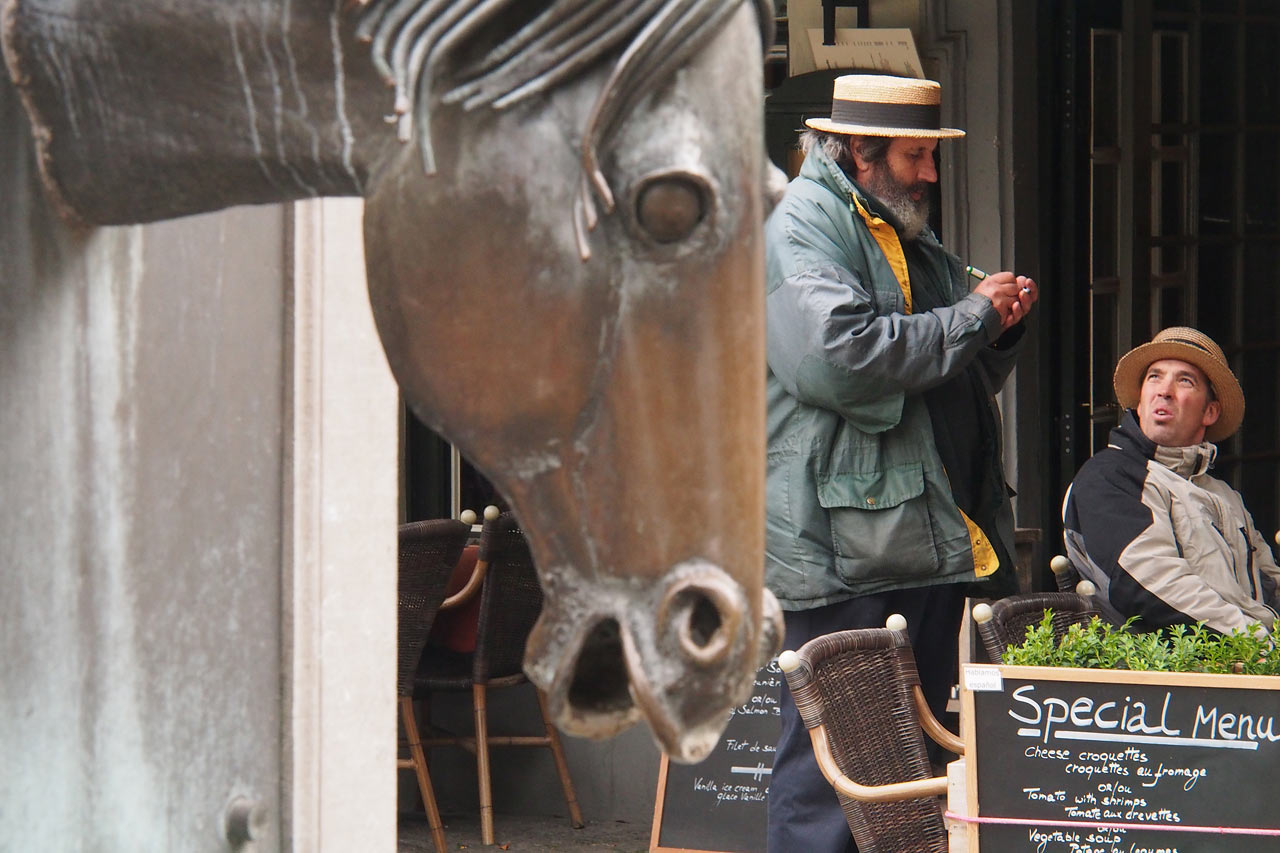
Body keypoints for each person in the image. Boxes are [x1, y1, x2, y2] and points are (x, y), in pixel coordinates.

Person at [764, 73, 1038, 851]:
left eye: (931, 153)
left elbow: (956, 363)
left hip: (922, 534)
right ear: (859, 152)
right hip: (845, 547)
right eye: (916, 154)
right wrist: (973, 315)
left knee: (919, 764)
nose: (930, 173)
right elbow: (839, 359)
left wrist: (999, 324)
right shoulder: (802, 225)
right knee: (830, 774)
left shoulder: (901, 227)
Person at [1062, 326, 1280, 636]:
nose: (1164, 390)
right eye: (1154, 377)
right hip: (1177, 672)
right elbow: (1151, 585)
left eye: (1184, 381)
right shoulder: (1109, 475)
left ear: (1210, 411)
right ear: (1140, 401)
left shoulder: (1224, 495)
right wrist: (1256, 641)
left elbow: (1269, 579)